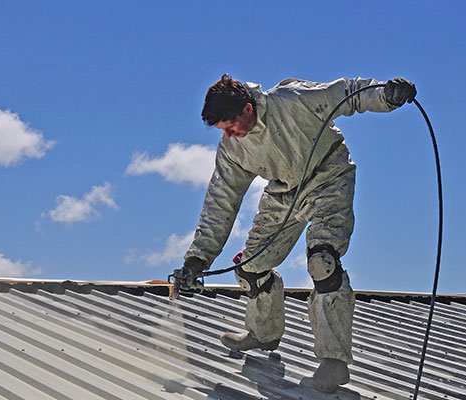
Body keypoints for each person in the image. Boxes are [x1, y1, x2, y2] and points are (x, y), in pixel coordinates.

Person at [173, 74, 416, 393]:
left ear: (248, 109)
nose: (229, 135)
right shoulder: (233, 148)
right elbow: (221, 201)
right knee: (250, 268)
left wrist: (386, 95)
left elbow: (347, 93)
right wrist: (197, 259)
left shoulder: (292, 100)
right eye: (223, 131)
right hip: (283, 194)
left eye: (230, 126)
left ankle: (334, 362)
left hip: (329, 178)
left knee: (323, 263)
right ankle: (263, 333)